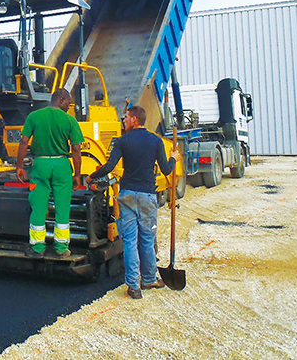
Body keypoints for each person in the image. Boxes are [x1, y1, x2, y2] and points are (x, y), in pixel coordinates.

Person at [86, 105, 181, 299]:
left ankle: (133, 287)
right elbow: (166, 169)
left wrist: (91, 177)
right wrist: (173, 158)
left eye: (126, 118)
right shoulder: (155, 141)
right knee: (146, 239)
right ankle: (149, 279)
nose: (123, 121)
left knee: (129, 241)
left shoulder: (122, 141)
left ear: (135, 119)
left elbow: (109, 166)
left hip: (127, 195)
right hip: (147, 196)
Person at [16, 89, 83, 258]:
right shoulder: (70, 120)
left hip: (40, 165)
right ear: (61, 100)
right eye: (68, 103)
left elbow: (24, 141)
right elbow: (76, 149)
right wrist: (77, 174)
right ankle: (61, 248)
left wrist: (19, 166)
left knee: (38, 207)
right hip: (62, 166)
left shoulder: (34, 116)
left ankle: (37, 248)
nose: (69, 106)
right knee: (62, 207)